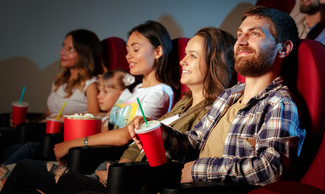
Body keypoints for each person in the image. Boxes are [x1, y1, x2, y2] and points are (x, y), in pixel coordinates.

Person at [0, 27, 238, 194]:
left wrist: (120, 164)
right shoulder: (184, 103)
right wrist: (118, 160)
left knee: (24, 167)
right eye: (184, 54)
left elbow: (177, 154)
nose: (182, 61)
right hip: (112, 168)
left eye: (192, 56)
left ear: (214, 62)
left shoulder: (209, 111)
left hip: (127, 179)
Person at [129, 6, 306, 187]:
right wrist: (159, 133)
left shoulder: (279, 103)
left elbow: (271, 169)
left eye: (254, 34)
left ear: (283, 48)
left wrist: (199, 170)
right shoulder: (231, 94)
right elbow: (193, 142)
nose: (241, 41)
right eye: (240, 34)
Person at [52, 20, 177, 162]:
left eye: (135, 50)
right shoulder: (136, 89)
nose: (128, 56)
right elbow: (110, 121)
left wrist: (73, 144)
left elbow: (124, 136)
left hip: (121, 160)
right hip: (101, 153)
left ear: (158, 52)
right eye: (127, 50)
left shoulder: (160, 93)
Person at [0, 69, 134, 187]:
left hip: (87, 161)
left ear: (123, 94)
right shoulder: (101, 117)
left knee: (25, 160)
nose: (98, 96)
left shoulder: (119, 117)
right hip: (70, 154)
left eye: (105, 92)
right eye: (99, 91)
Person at [0, 29, 104, 165]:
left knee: (25, 148)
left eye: (70, 49)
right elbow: (48, 115)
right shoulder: (59, 81)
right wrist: (28, 122)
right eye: (63, 46)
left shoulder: (90, 84)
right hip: (41, 132)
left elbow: (94, 118)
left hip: (59, 139)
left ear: (84, 53)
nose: (62, 52)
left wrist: (63, 119)